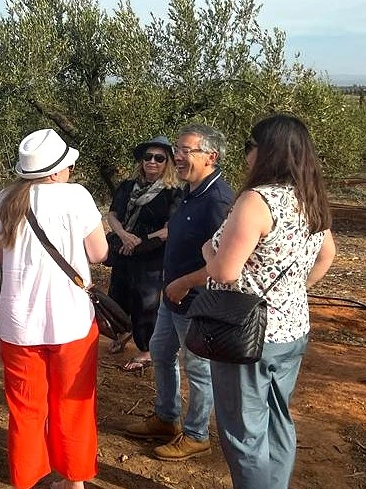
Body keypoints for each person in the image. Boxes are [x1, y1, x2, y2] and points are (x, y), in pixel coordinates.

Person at [202, 115, 336, 488]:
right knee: (277, 419)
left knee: (244, 432)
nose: (246, 155)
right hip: (292, 329)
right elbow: (327, 255)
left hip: (245, 334)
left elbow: (225, 272)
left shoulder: (256, 201)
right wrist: (291, 291)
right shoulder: (310, 199)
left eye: (250, 146)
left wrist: (206, 252)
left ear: (268, 152)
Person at [0, 129, 109, 489]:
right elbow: (99, 252)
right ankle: (74, 482)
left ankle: (27, 481)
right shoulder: (77, 197)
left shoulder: (4, 199)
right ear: (55, 171)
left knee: (25, 410)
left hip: (18, 322)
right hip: (71, 321)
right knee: (73, 404)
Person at [124, 123, 234, 461]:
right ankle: (166, 417)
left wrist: (185, 282)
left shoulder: (218, 200)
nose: (178, 156)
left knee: (199, 369)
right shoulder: (190, 190)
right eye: (178, 149)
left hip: (197, 301)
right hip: (172, 297)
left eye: (187, 150)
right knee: (159, 351)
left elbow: (227, 262)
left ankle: (197, 433)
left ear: (211, 156)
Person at [105, 135, 178, 371]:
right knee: (119, 293)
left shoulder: (173, 192)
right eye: (148, 157)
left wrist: (141, 240)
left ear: (168, 162)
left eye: (159, 158)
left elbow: (170, 229)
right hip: (125, 250)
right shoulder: (128, 187)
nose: (152, 162)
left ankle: (146, 349)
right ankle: (124, 331)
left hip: (151, 254)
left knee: (145, 301)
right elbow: (113, 215)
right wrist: (125, 236)